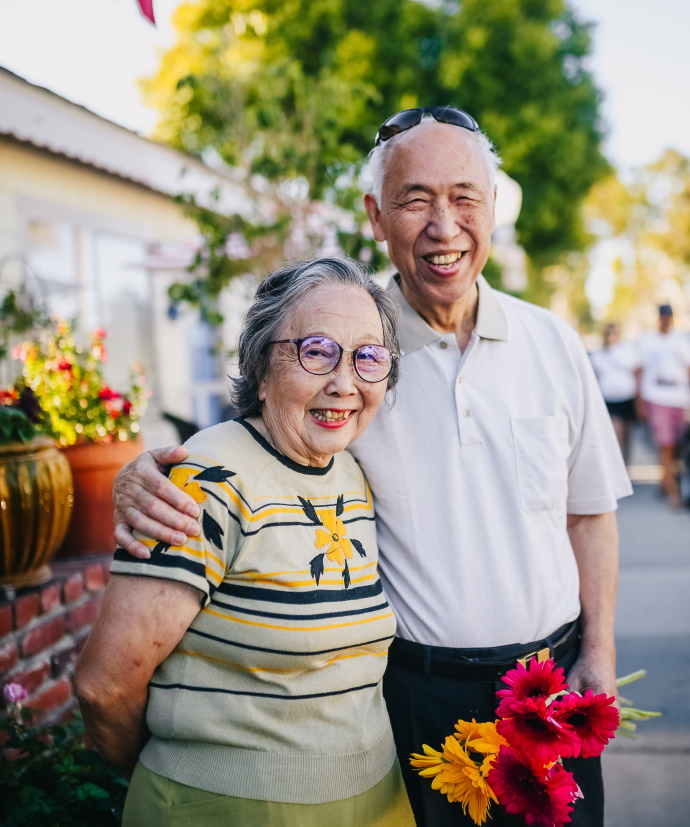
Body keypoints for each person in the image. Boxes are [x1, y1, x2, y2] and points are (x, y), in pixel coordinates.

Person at [112, 106, 632, 826]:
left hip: (551, 692)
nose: (443, 226)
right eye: (415, 199)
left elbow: (589, 510)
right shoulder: (353, 352)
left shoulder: (555, 343)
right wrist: (147, 470)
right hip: (415, 702)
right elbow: (266, 431)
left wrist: (598, 656)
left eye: (463, 198)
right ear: (376, 217)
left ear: (492, 207)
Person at [74, 258, 415, 827]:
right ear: (262, 365)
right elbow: (103, 685)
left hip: (376, 801)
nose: (344, 382)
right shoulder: (206, 478)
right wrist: (180, 776)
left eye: (368, 357)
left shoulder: (350, 474)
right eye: (317, 351)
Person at [636, 304, 690, 508]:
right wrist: (640, 402)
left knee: (676, 446)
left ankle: (665, 482)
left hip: (679, 398)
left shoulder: (680, 341)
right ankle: (672, 493)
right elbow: (639, 370)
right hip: (657, 397)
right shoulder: (649, 341)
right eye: (663, 316)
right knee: (665, 445)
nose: (666, 319)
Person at [589, 322, 639, 464]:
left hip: (627, 399)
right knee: (617, 436)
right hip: (610, 400)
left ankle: (626, 468)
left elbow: (636, 373)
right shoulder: (598, 355)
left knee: (627, 437)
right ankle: (617, 467)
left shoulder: (627, 352)